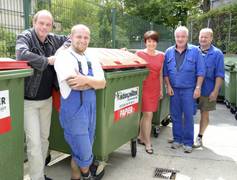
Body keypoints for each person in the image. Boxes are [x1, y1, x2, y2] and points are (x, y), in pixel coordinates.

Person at [15, 10, 68, 180]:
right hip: (28, 101)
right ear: (34, 22)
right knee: (34, 143)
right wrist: (47, 61)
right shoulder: (25, 36)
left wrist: (59, 54)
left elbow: (70, 39)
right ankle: (36, 178)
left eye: (48, 24)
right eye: (41, 23)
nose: (44, 27)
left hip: (46, 99)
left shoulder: (52, 38)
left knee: (44, 139)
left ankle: (40, 174)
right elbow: (21, 54)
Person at [54, 24, 106, 180]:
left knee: (81, 150)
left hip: (90, 109)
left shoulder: (91, 57)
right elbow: (74, 83)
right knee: (83, 151)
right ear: (71, 37)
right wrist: (93, 82)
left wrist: (85, 80)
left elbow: (103, 83)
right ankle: (87, 175)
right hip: (74, 112)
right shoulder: (63, 57)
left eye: (86, 37)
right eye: (79, 36)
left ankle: (75, 178)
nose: (82, 40)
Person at [163, 26, 205, 153]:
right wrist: (168, 86)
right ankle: (177, 139)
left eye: (183, 36)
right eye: (178, 36)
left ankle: (188, 142)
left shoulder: (195, 51)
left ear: (187, 37)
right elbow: (165, 73)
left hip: (189, 89)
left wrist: (198, 87)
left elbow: (201, 72)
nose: (180, 39)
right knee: (175, 116)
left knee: (188, 116)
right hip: (174, 89)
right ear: (175, 37)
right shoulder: (168, 51)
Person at [193, 28, 224, 148]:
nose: (203, 39)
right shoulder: (193, 51)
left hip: (208, 90)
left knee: (204, 113)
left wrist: (215, 91)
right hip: (191, 89)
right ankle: (183, 135)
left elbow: (219, 74)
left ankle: (199, 137)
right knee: (186, 112)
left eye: (206, 37)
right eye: (201, 36)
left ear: (211, 38)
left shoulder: (217, 54)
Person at [136, 30, 164, 154]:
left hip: (155, 87)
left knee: (145, 115)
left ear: (156, 43)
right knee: (148, 115)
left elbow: (161, 74)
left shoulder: (161, 55)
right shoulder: (139, 53)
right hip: (143, 87)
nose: (151, 44)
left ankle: (141, 137)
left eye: (153, 41)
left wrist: (161, 89)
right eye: (149, 41)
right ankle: (148, 143)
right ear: (145, 42)